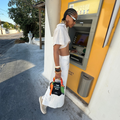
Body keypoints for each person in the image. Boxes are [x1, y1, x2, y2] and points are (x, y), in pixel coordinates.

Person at [39, 8, 78, 114]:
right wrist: (57, 69)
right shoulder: (60, 29)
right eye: (74, 19)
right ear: (67, 17)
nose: (75, 22)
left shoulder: (64, 28)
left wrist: (70, 50)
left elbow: (62, 47)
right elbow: (55, 49)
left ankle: (50, 101)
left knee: (60, 85)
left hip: (64, 61)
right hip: (61, 63)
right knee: (56, 84)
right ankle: (44, 100)